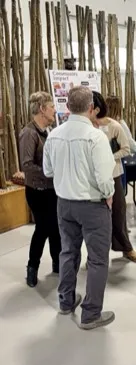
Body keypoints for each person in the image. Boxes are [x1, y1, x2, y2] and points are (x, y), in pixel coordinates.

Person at [44, 86, 118, 330]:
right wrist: (109, 196)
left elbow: (48, 171)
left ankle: (66, 301)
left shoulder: (53, 135)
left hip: (64, 204)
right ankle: (91, 313)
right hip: (92, 205)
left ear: (67, 107)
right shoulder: (96, 137)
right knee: (97, 260)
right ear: (90, 108)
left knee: (68, 252)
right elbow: (104, 177)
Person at [18, 92, 61, 287]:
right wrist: (51, 173)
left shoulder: (49, 131)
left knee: (56, 229)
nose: (54, 110)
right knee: (43, 228)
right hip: (37, 191)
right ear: (42, 109)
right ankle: (32, 267)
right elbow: (26, 165)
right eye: (51, 106)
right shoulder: (29, 133)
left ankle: (58, 263)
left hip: (52, 189)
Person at [94, 93, 136, 264]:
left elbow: (127, 149)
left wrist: (109, 157)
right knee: (96, 218)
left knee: (118, 212)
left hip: (114, 174)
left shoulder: (115, 126)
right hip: (93, 178)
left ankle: (126, 248)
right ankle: (97, 254)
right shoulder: (88, 127)